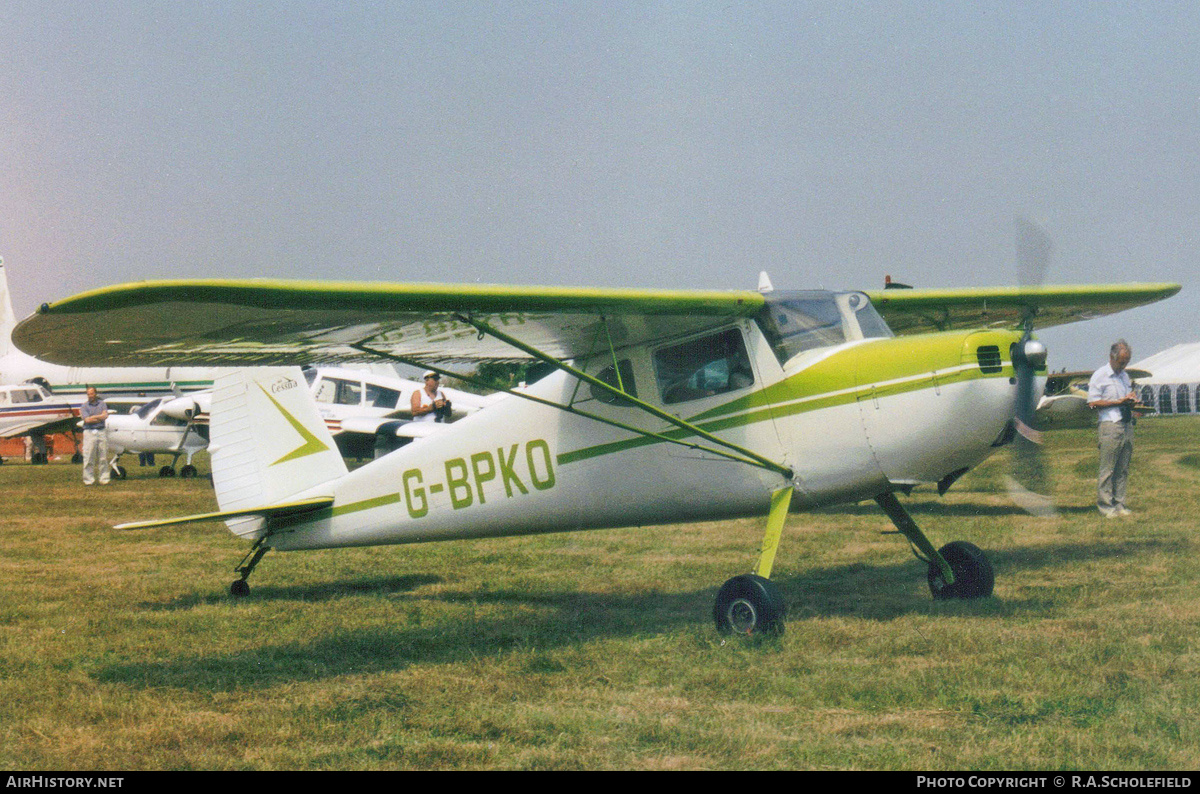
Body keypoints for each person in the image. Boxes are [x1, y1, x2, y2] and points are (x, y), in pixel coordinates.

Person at [1087, 340, 1136, 517]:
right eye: (1121, 362)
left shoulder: (1124, 376)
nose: (1123, 366)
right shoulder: (1100, 375)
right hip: (1109, 424)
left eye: (1126, 362)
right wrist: (1117, 402)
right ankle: (1105, 506)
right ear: (1112, 357)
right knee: (1107, 469)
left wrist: (1131, 399)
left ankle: (1119, 503)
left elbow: (1125, 397)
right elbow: (1092, 403)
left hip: (1126, 422)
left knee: (1122, 468)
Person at [79, 386, 110, 485]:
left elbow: (105, 416)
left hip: (101, 431)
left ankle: (104, 479)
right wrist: (99, 417)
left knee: (103, 457)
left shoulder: (102, 404)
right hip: (89, 432)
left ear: (95, 394)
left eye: (92, 393)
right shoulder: (84, 406)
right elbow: (87, 420)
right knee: (88, 457)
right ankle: (89, 480)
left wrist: (94, 417)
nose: (90, 396)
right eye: (88, 394)